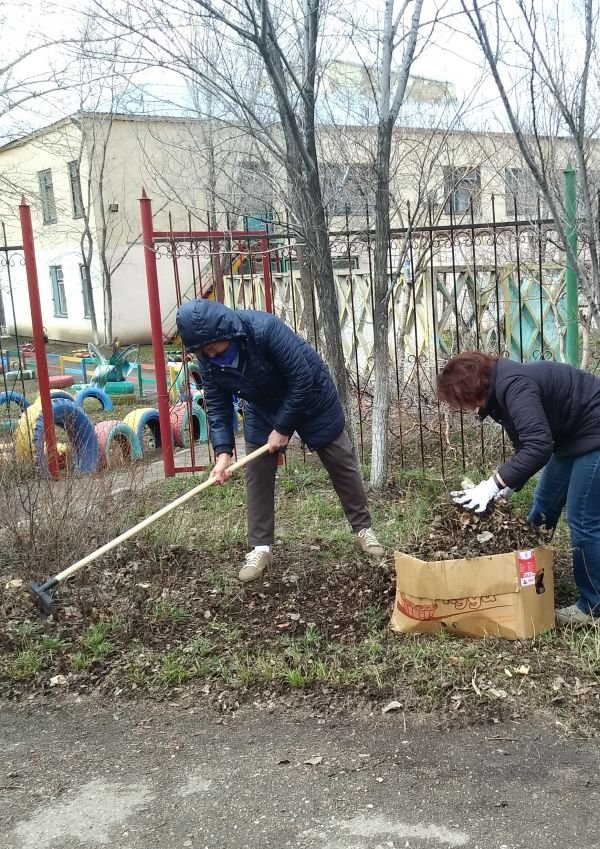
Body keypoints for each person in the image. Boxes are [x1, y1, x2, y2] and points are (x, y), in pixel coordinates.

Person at [176, 299, 384, 583]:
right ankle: (261, 548)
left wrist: (283, 427)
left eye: (213, 348)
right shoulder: (208, 358)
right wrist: (223, 453)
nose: (210, 355)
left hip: (312, 396)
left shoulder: (264, 329)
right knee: (258, 473)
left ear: (227, 332)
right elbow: (217, 404)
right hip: (262, 406)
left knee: (340, 459)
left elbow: (302, 378)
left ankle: (363, 529)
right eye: (204, 351)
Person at [436, 350, 600, 626]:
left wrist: (492, 484)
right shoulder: (500, 392)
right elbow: (525, 445)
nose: (466, 408)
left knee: (583, 519)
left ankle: (593, 607)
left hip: (594, 430)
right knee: (544, 503)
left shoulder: (514, 386)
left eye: (462, 400)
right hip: (574, 436)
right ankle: (529, 574)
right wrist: (506, 486)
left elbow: (539, 447)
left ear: (471, 387)